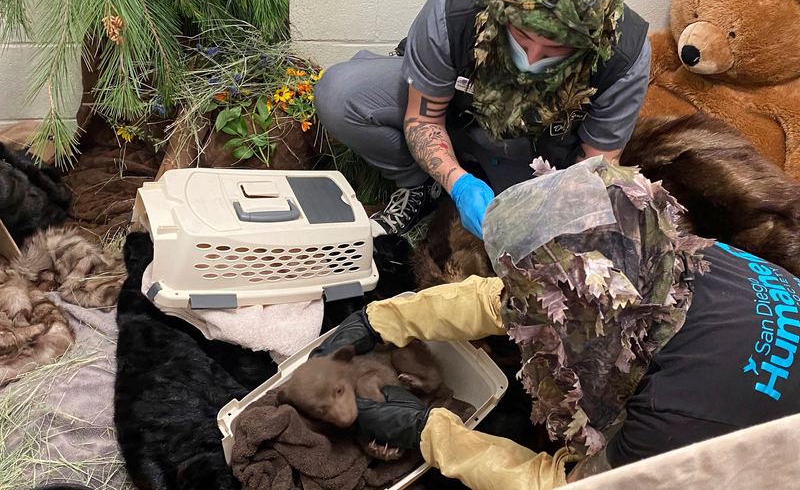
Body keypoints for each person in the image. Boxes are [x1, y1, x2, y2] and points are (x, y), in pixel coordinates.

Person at [310, 158, 800, 488]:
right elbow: (522, 302)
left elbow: (566, 484)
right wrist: (385, 318)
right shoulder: (673, 254)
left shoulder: (672, 423)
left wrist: (429, 433)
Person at [315, 0, 650, 238]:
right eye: (522, 36)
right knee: (340, 94)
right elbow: (424, 121)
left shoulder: (623, 55)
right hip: (457, 115)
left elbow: (592, 170)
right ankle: (420, 187)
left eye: (554, 50)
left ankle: (497, 183)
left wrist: (548, 212)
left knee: (521, 235)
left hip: (537, 151)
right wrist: (458, 184)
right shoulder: (457, 6)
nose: (531, 59)